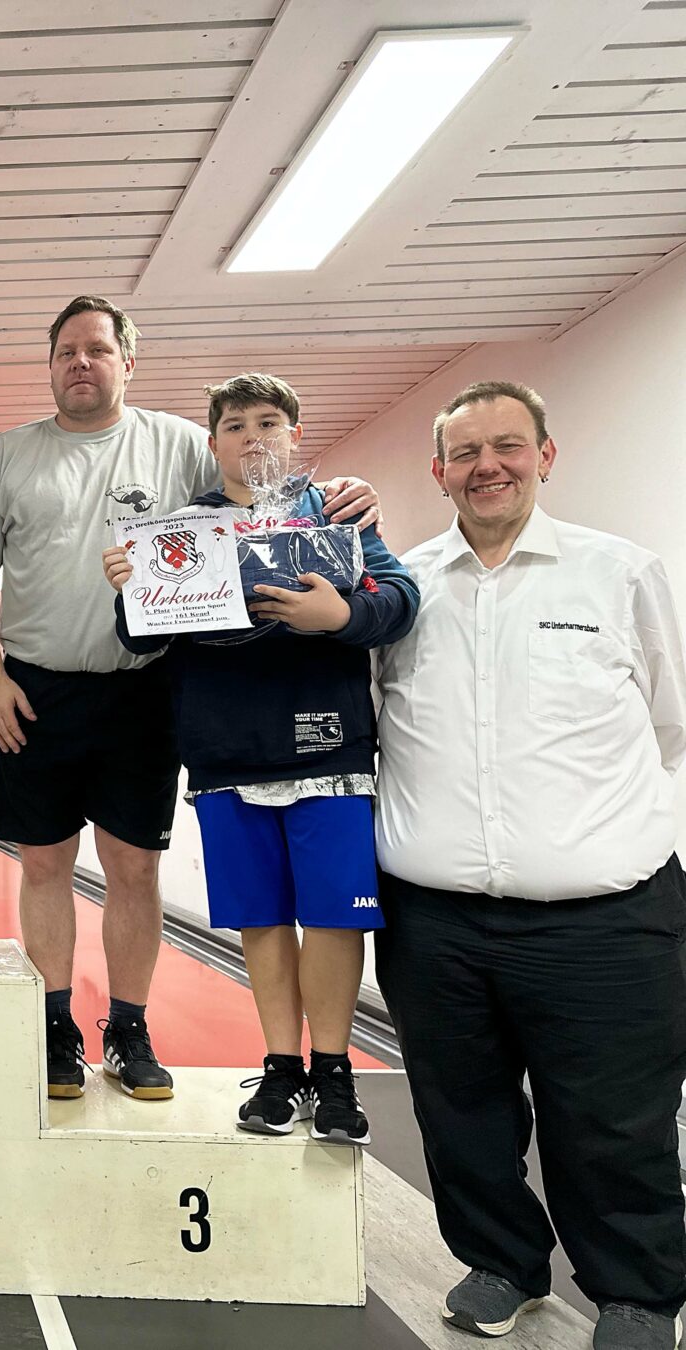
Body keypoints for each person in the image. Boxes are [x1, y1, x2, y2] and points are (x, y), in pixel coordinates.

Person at [0, 298, 379, 1103]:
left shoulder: (183, 443)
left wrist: (341, 495)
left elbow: (260, 496)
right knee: (43, 864)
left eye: (97, 349)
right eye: (67, 351)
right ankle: (53, 1027)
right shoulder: (8, 455)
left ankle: (128, 1028)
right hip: (36, 686)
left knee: (134, 869)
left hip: (145, 684)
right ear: (51, 365)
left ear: (128, 362)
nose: (81, 362)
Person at [374, 381, 686, 1350]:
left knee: (615, 1118)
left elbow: (668, 725)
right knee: (458, 1111)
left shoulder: (617, 573)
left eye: (507, 446)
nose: (488, 467)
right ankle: (501, 1261)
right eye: (466, 453)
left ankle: (637, 1294)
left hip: (606, 918)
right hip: (435, 920)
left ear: (544, 456)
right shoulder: (404, 589)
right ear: (439, 472)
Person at [104, 373, 416, 1143]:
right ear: (213, 444)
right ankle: (282, 1066)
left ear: (294, 435)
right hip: (226, 753)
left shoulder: (334, 511)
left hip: (329, 747)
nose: (253, 437)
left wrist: (339, 613)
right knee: (262, 920)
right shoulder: (182, 530)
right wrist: (128, 588)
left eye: (269, 422)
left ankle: (334, 1071)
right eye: (236, 425)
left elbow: (400, 599)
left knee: (333, 920)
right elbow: (137, 634)